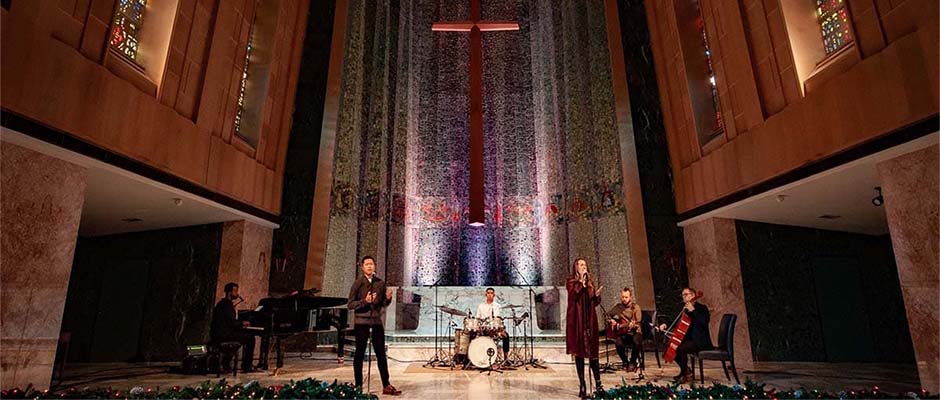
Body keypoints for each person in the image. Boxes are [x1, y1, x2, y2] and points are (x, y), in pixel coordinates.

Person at [347, 256, 402, 396]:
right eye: (367, 264)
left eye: (371, 264)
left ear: (375, 266)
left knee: (381, 354)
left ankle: (386, 384)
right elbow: (350, 304)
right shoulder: (358, 283)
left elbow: (383, 304)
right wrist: (365, 301)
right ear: (362, 267)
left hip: (376, 322)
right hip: (361, 323)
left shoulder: (380, 283)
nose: (370, 266)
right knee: (359, 354)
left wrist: (388, 299)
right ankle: (358, 386)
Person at [566, 258, 604, 398]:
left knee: (593, 352)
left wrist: (596, 297)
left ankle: (598, 384)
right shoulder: (571, 282)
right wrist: (581, 281)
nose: (584, 267)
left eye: (585, 265)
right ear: (575, 268)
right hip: (577, 321)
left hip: (590, 320)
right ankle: (582, 385)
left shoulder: (590, 282)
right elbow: (574, 295)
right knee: (580, 353)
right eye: (581, 265)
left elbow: (592, 302)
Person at [210, 282, 255, 373]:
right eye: (235, 291)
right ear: (230, 292)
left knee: (243, 337)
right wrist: (243, 323)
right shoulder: (227, 305)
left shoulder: (222, 304)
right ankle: (247, 366)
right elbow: (232, 323)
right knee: (250, 338)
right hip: (224, 334)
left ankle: (226, 363)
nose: (237, 293)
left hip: (220, 333)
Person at [673, 287, 712, 383]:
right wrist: (665, 324)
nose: (684, 297)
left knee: (681, 349)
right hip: (689, 340)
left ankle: (684, 374)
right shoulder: (684, 309)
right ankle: (686, 371)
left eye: (686, 294)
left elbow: (704, 322)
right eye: (682, 295)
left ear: (693, 295)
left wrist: (693, 311)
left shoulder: (702, 308)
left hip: (700, 341)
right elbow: (678, 323)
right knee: (672, 347)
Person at [607, 288, 643, 371]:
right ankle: (625, 361)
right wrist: (611, 321)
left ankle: (633, 362)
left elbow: (638, 322)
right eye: (623, 297)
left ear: (630, 297)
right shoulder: (618, 307)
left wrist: (632, 325)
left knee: (636, 341)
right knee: (618, 342)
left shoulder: (635, 307)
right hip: (624, 333)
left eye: (626, 297)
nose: (624, 299)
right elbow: (607, 315)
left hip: (635, 332)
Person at [476, 287, 510, 360]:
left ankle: (506, 358)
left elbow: (499, 320)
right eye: (488, 293)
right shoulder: (481, 306)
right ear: (486, 294)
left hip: (495, 329)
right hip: (485, 329)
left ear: (494, 295)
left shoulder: (497, 306)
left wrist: (501, 328)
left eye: (491, 293)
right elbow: (477, 318)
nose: (490, 295)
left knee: (506, 336)